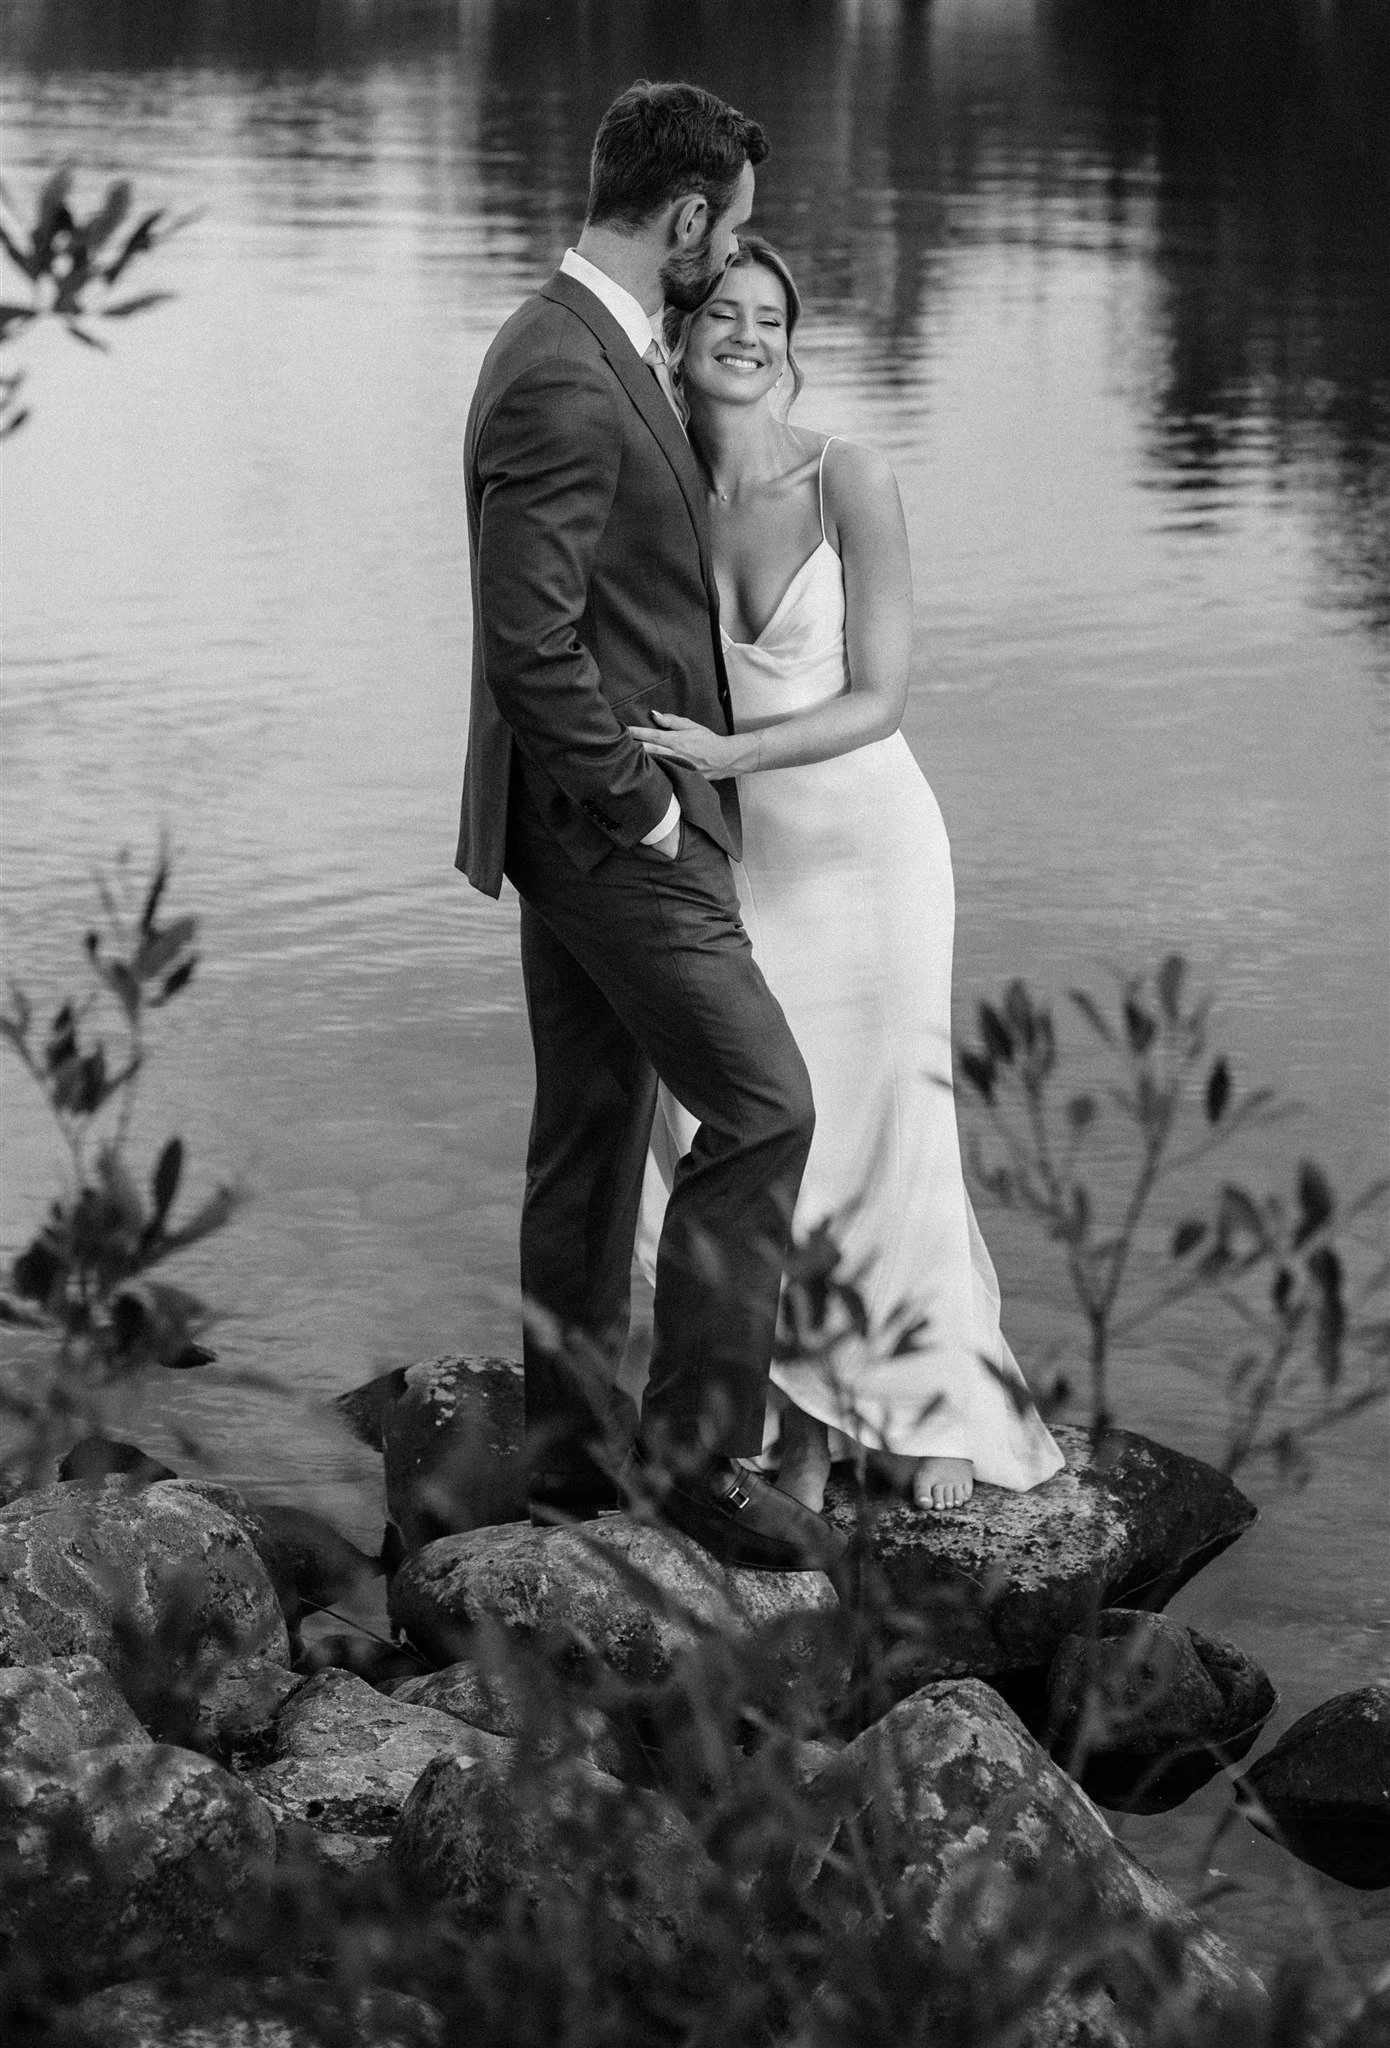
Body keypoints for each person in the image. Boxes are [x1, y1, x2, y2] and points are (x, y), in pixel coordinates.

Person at [456, 84, 845, 1570]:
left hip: (568, 827)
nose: (731, 255)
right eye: (729, 229)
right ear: (684, 220)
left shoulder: (575, 345)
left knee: (595, 1131)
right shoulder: (562, 368)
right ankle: (690, 1466)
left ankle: (562, 1466)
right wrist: (644, 810)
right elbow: (528, 640)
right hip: (615, 829)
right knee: (763, 1107)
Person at [630, 239, 1064, 1513]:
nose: (747, 334)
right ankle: (805, 1421)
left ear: (791, 342)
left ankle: (931, 1407)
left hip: (873, 854)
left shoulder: (848, 476)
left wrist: (730, 748)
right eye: (723, 310)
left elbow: (880, 696)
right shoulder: (662, 491)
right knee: (751, 1127)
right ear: (684, 329)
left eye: (770, 316)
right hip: (746, 861)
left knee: (892, 1132)